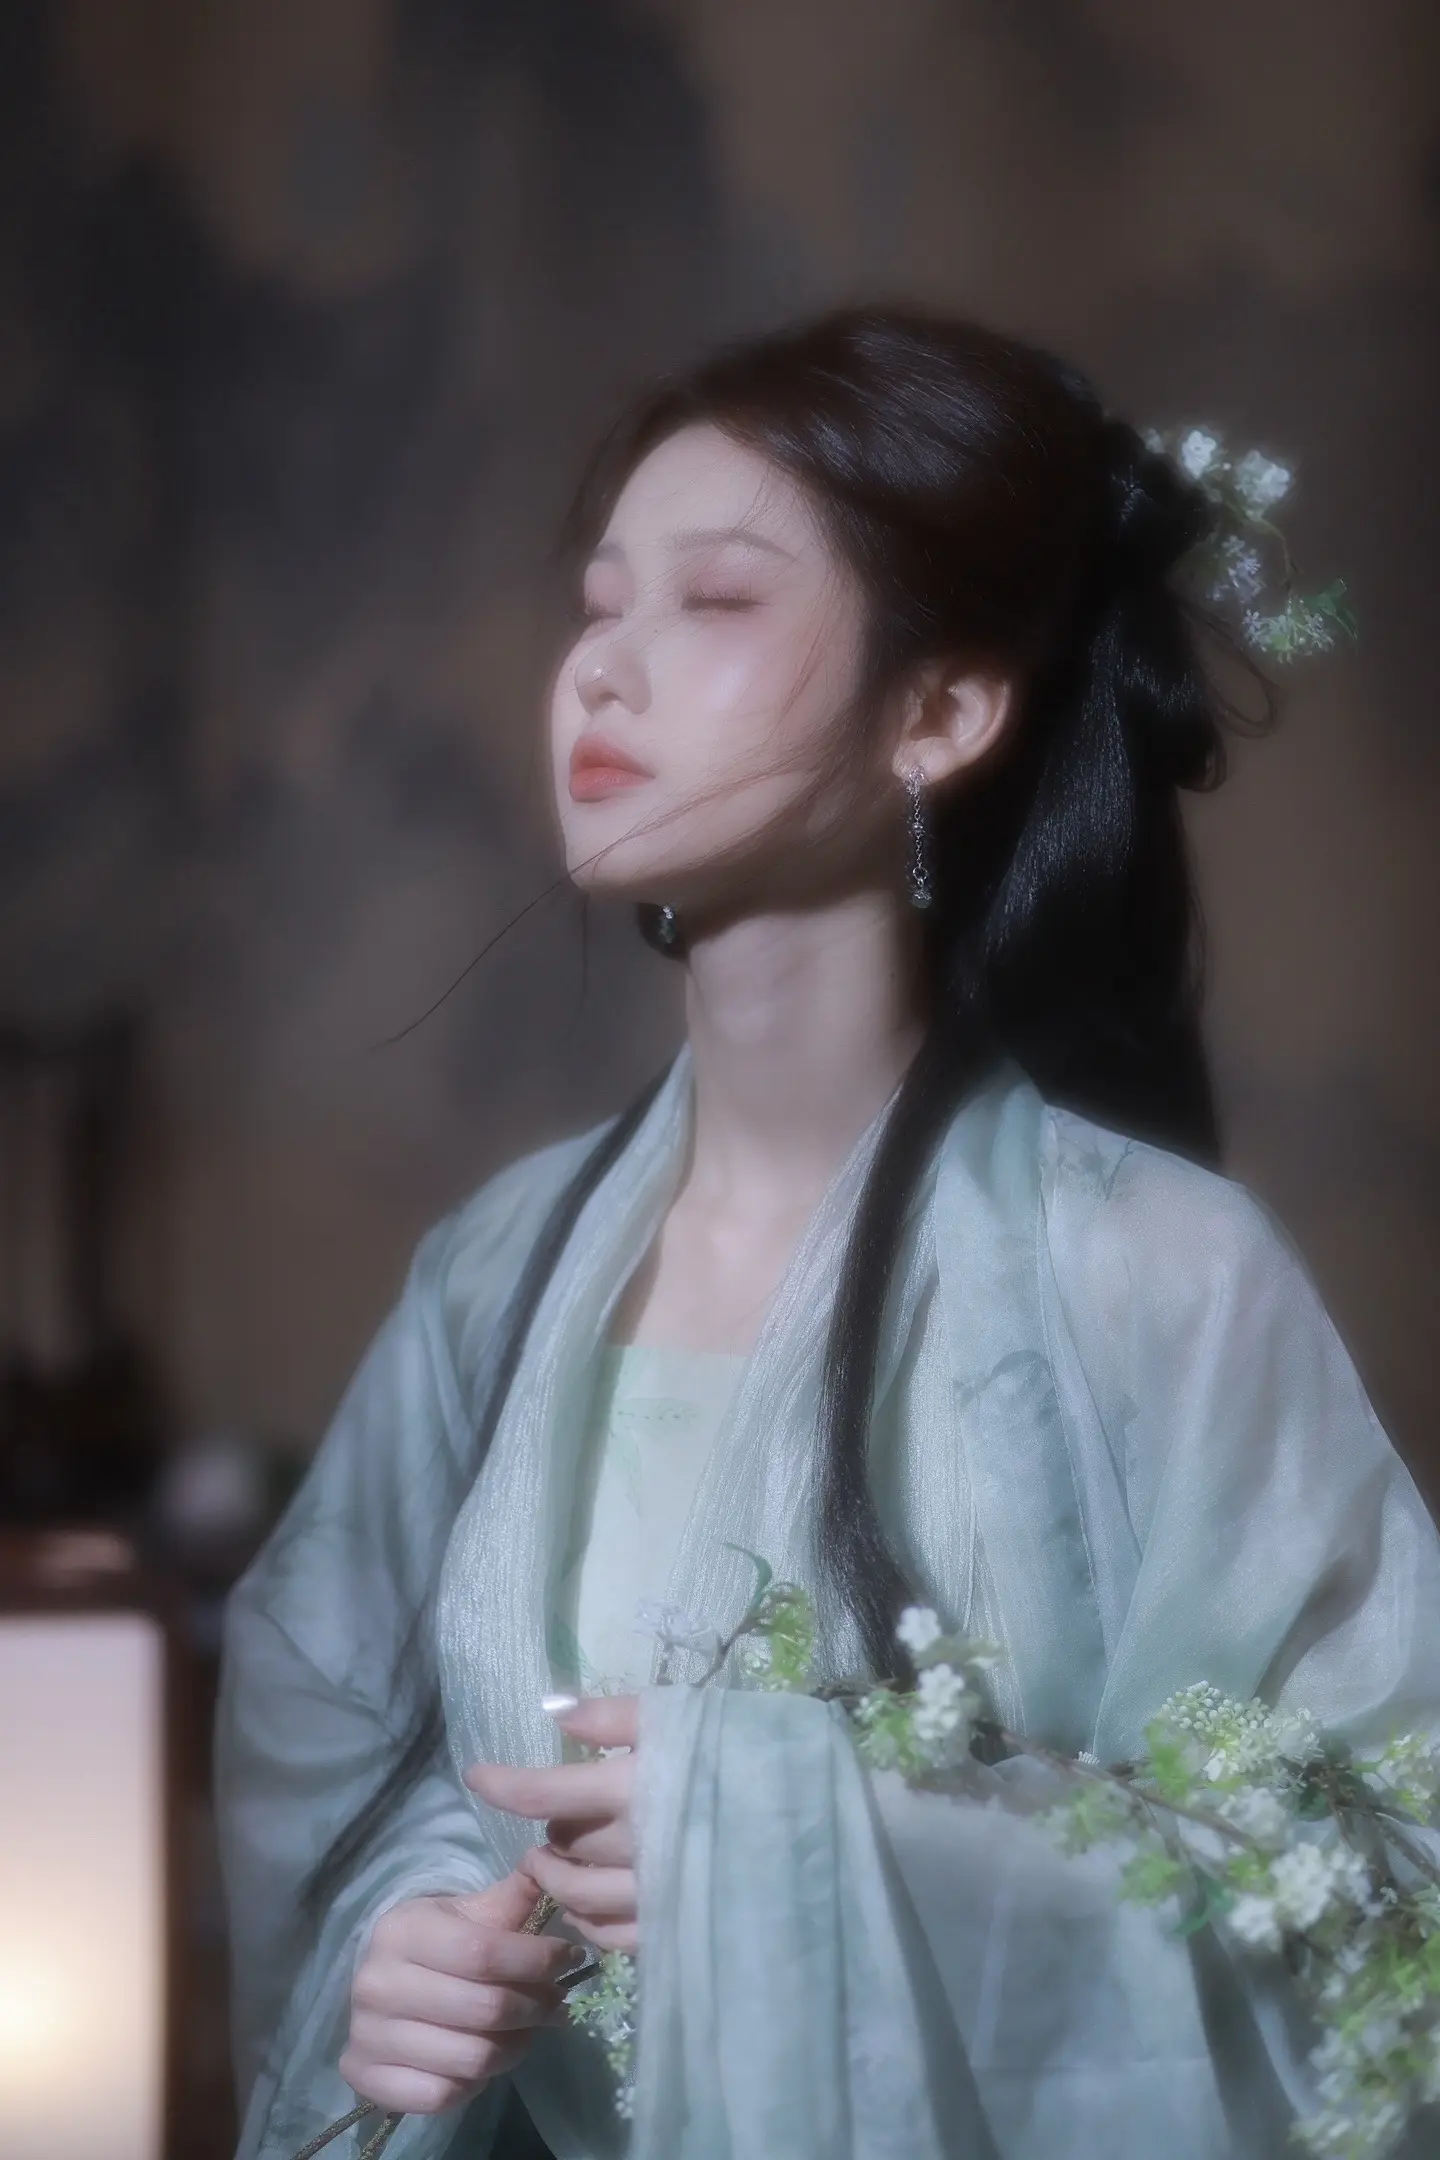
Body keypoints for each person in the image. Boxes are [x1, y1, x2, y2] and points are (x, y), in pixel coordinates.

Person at [217, 309, 1440, 2160]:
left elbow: (1388, 1903)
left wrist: (809, 1841)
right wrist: (408, 1947)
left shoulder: (1156, 1273)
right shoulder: (496, 1270)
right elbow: (334, 1744)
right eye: (600, 605)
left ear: (941, 713)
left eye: (715, 601)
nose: (602, 671)